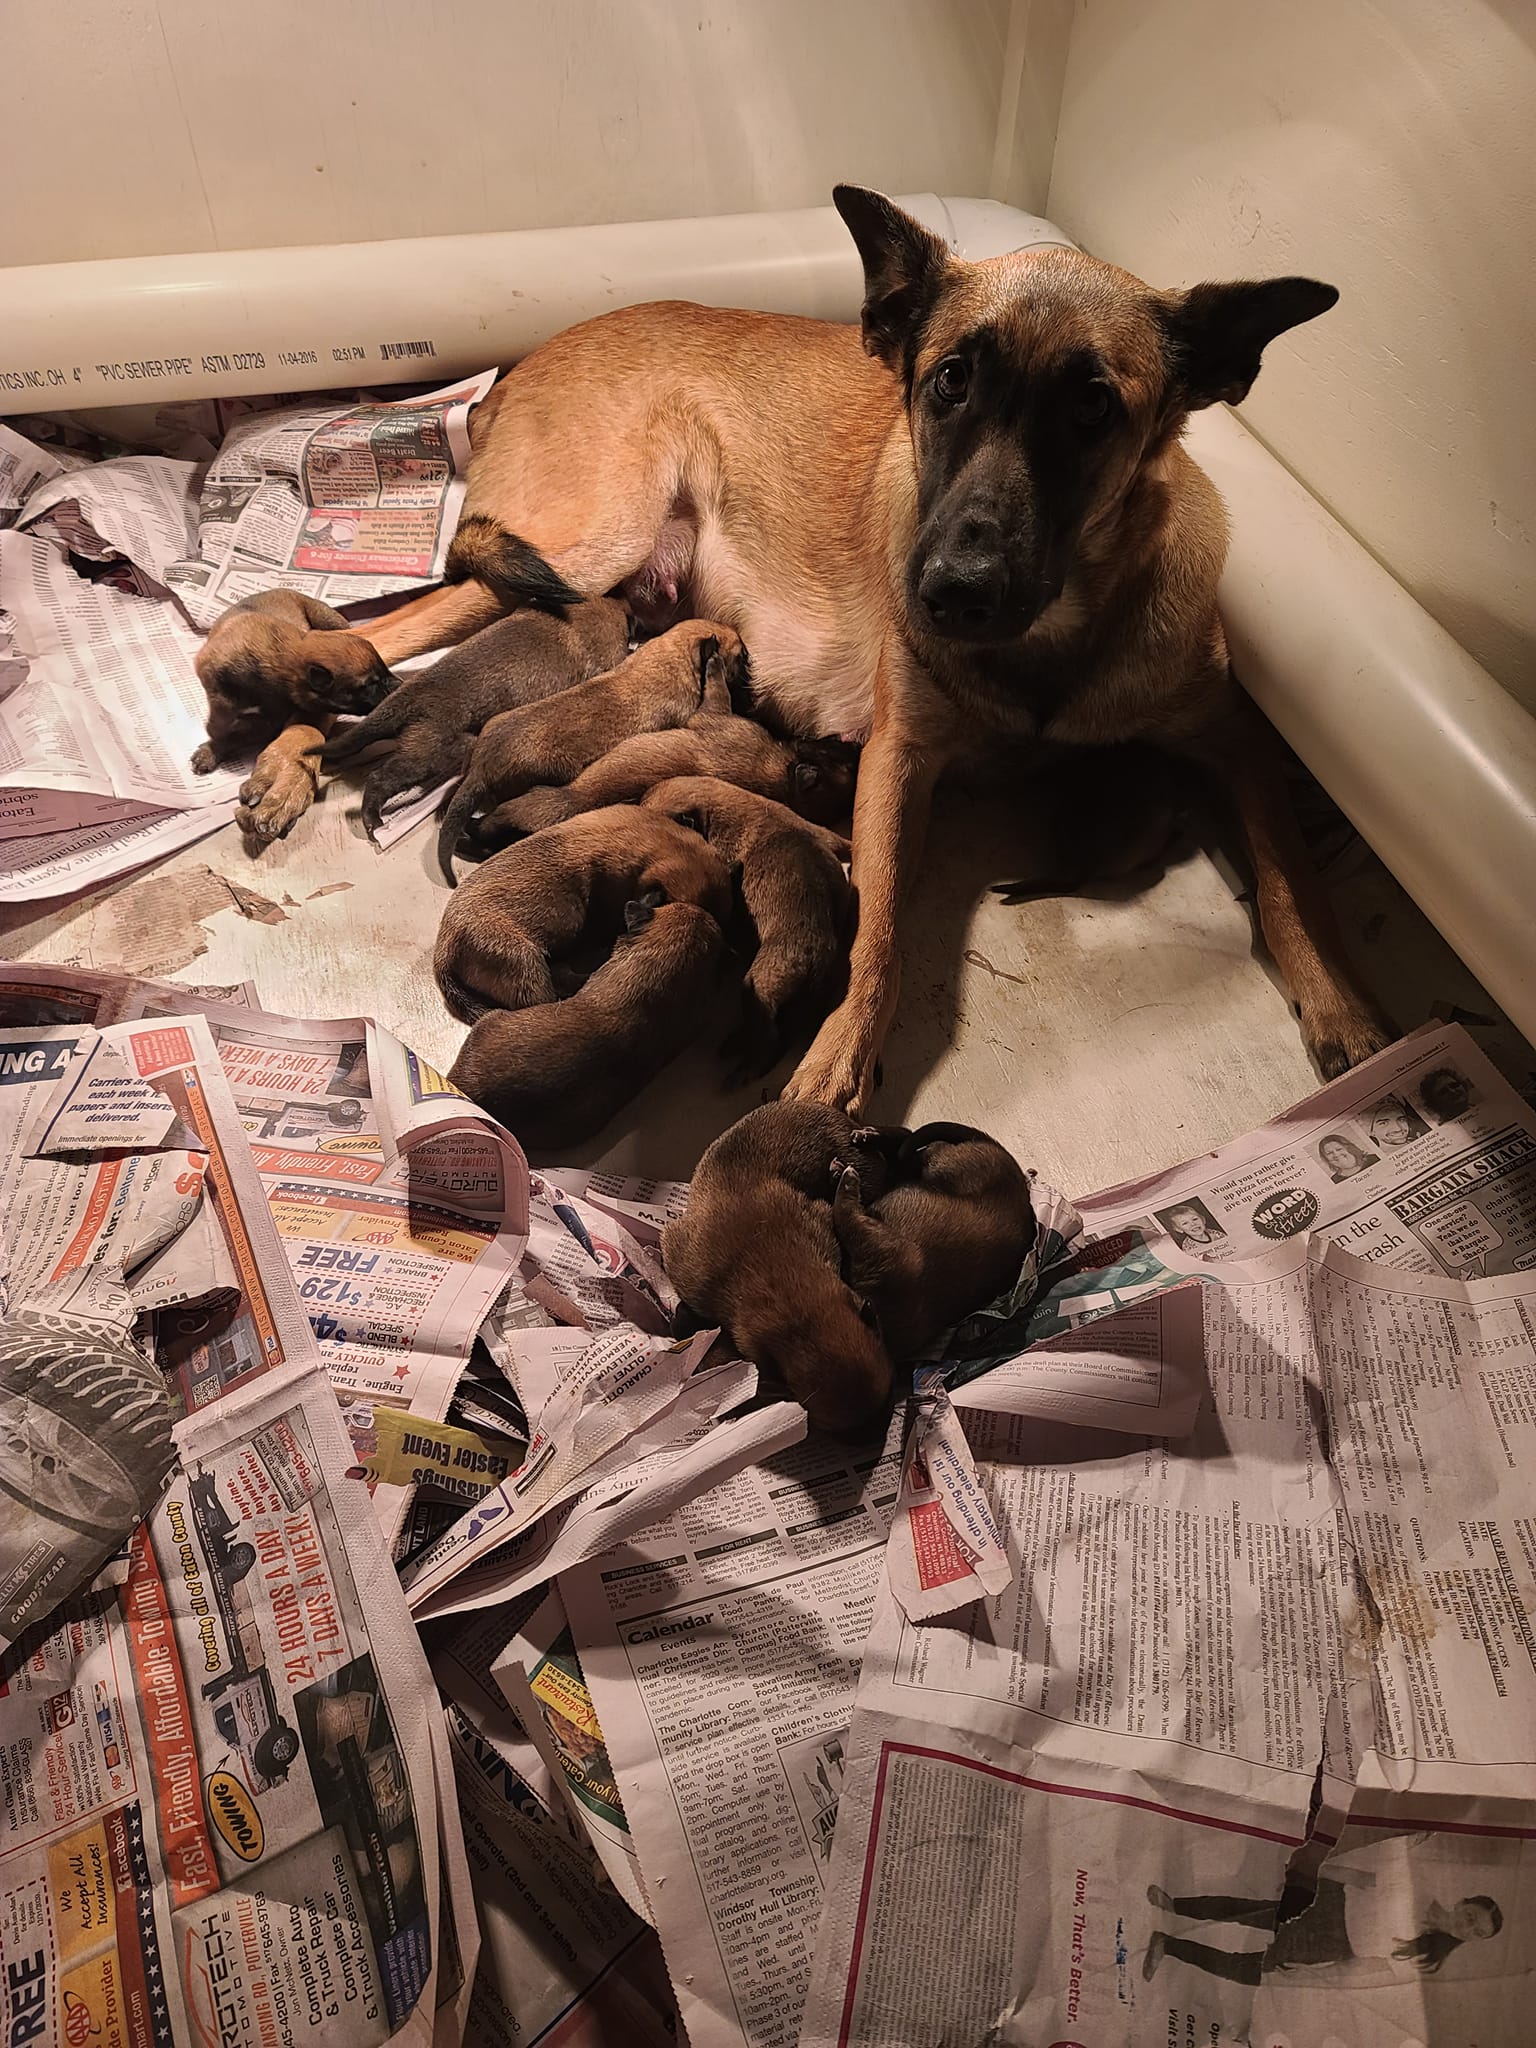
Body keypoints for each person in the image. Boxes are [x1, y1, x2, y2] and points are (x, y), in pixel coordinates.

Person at [1142, 1874, 1503, 1987]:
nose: (1468, 1926)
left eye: (1477, 1932)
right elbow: (1364, 1876)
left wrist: (1312, 1974)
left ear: (1473, 1941)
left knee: (1245, 1971)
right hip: (1330, 1905)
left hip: (1331, 1946)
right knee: (1245, 1912)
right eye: (1472, 1916)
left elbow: (1364, 1968)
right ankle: (1176, 1905)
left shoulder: (1427, 1959)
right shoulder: (1417, 1886)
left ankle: (1168, 1946)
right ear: (1463, 1901)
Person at [1157, 1199, 1231, 1261]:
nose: (1193, 1224)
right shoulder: (1188, 1247)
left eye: (1195, 1219)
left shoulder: (1216, 1234)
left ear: (1203, 1220)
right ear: (1179, 1229)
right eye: (1185, 1223)